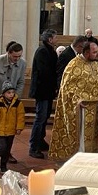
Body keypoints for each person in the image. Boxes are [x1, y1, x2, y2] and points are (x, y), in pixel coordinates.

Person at [49, 41, 98, 161]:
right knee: (82, 138)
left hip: (93, 107)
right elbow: (66, 88)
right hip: (81, 108)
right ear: (87, 52)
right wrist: (76, 100)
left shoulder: (93, 64)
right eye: (94, 52)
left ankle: (89, 157)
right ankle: (80, 158)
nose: (97, 54)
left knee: (91, 136)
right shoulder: (74, 65)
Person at [29, 29, 58, 159]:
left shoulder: (49, 50)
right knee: (40, 118)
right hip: (42, 90)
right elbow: (44, 71)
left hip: (48, 90)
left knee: (45, 117)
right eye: (55, 38)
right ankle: (33, 146)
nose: (56, 40)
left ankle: (40, 141)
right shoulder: (42, 51)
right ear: (50, 39)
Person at [0, 81, 25, 173]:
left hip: (11, 129)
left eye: (13, 92)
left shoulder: (18, 103)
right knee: (2, 147)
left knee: (7, 149)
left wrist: (19, 127)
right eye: (9, 93)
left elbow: (20, 116)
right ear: (4, 93)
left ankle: (3, 165)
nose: (11, 94)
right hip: (1, 129)